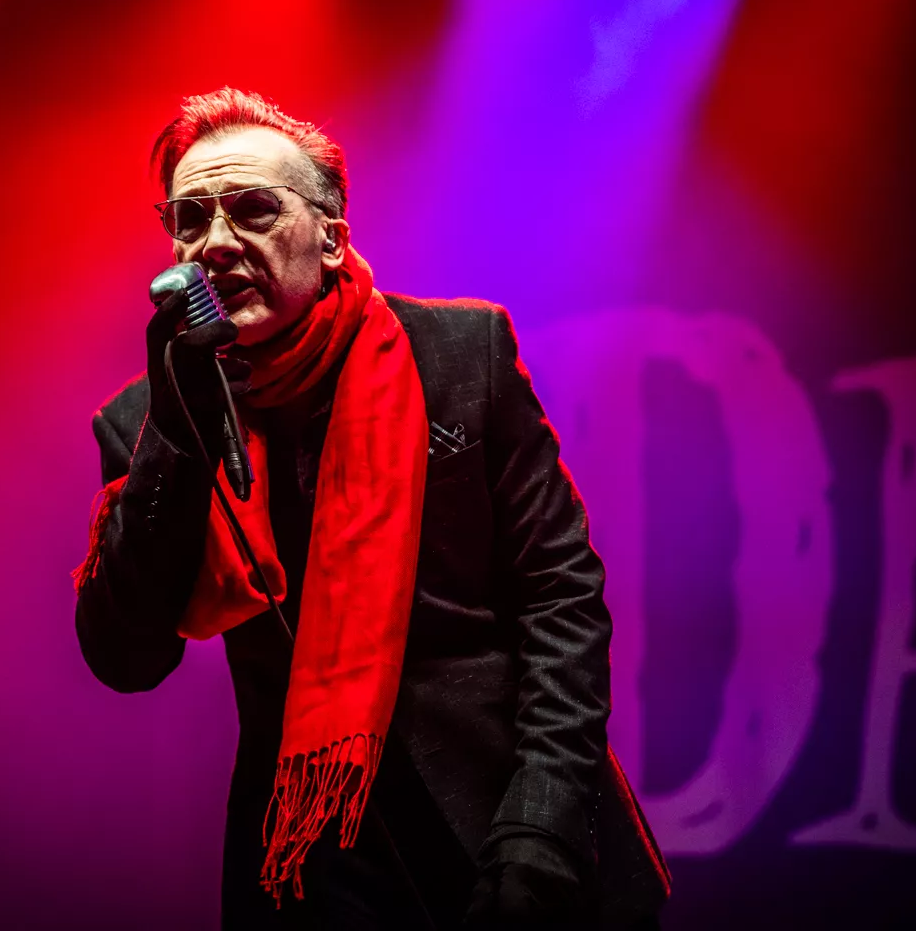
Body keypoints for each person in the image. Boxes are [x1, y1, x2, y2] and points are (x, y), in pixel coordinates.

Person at [73, 87, 670, 929]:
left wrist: (541, 823)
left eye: (253, 209)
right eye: (190, 218)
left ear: (330, 238)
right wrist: (177, 429)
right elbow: (126, 656)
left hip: (506, 820)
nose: (215, 242)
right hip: (311, 865)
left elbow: (559, 597)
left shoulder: (460, 355)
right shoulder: (146, 422)